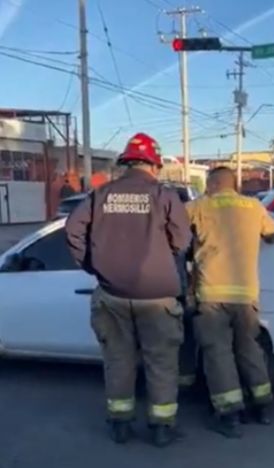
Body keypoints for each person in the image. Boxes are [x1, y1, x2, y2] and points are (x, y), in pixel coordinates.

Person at [65, 132, 191, 447]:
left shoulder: (101, 194)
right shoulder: (164, 195)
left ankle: (120, 424)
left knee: (118, 359)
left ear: (126, 163)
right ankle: (162, 428)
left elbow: (73, 230)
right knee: (161, 362)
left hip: (112, 293)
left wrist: (92, 265)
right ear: (153, 164)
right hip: (158, 296)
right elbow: (182, 241)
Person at [186, 166, 274, 439]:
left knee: (218, 354)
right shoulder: (254, 206)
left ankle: (229, 416)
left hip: (213, 295)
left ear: (213, 183)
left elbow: (173, 231)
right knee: (249, 349)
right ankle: (261, 406)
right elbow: (273, 237)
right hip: (246, 295)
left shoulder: (200, 206)